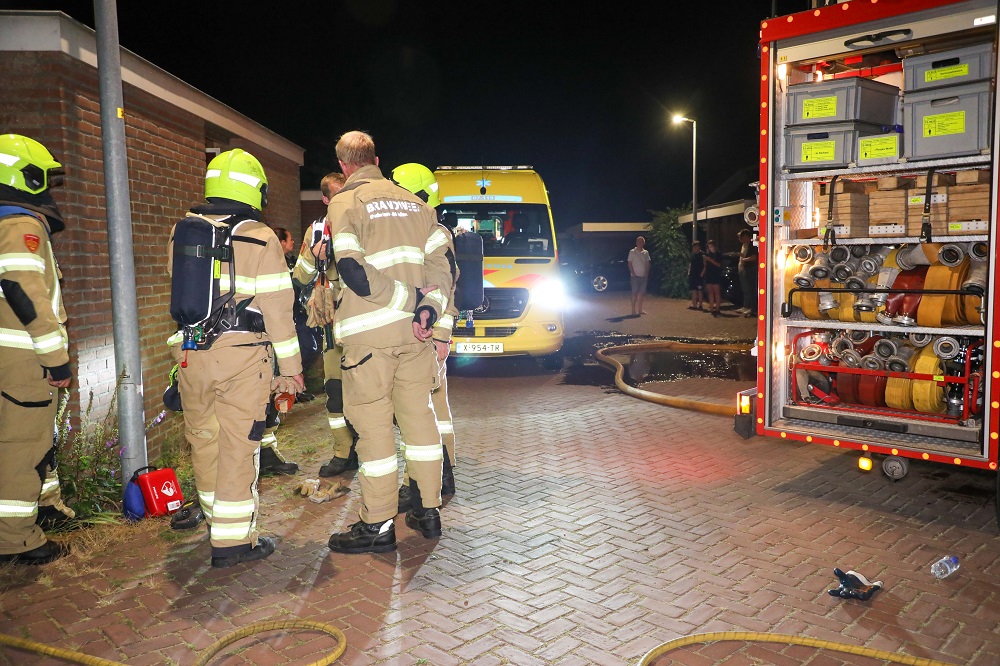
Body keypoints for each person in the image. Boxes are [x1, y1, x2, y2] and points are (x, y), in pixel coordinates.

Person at [167, 148, 303, 568]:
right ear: (255, 190)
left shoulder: (182, 231)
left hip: (191, 355)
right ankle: (233, 542)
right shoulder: (260, 236)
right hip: (241, 358)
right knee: (239, 447)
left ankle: (216, 524)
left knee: (204, 442)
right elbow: (278, 311)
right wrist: (292, 370)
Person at [325, 131, 454, 555]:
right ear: (377, 160)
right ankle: (428, 511)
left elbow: (351, 269)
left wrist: (408, 299)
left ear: (343, 165)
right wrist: (428, 309)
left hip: (369, 342)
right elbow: (443, 269)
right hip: (416, 337)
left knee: (375, 432)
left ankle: (378, 525)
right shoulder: (418, 205)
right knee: (420, 423)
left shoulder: (345, 201)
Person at [0, 133, 72, 565]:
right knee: (22, 445)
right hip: (22, 361)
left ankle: (44, 509)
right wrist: (56, 360)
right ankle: (17, 540)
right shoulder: (20, 227)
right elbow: (24, 292)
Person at [389, 162, 458, 514]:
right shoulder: (411, 231)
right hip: (414, 334)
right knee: (424, 413)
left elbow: (446, 288)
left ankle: (426, 481)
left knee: (424, 414)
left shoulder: (434, 233)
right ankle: (437, 477)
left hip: (430, 336)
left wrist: (441, 336)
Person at [292, 172, 360, 478]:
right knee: (335, 391)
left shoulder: (366, 223)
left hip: (367, 323)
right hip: (334, 327)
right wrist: (314, 255)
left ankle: (370, 448)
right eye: (337, 195)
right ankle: (343, 452)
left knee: (373, 391)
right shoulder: (317, 231)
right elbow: (299, 277)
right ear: (325, 199)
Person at [737, 228, 758, 317]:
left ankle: (753, 309)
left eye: (742, 237)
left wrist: (744, 259)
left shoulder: (752, 245)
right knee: (746, 289)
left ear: (746, 237)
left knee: (751, 289)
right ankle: (747, 306)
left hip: (750, 268)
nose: (741, 240)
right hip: (745, 268)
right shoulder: (744, 245)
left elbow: (754, 257)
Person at [627, 235, 651, 315]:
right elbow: (629, 263)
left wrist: (647, 273)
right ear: (636, 243)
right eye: (639, 242)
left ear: (644, 243)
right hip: (635, 276)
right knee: (634, 292)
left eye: (642, 242)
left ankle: (640, 309)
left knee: (641, 293)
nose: (640, 243)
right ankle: (633, 310)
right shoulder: (632, 252)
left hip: (643, 276)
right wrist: (633, 273)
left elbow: (648, 263)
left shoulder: (646, 252)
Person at [702, 239, 723, 317]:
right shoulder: (707, 254)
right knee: (710, 292)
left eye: (712, 246)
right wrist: (704, 260)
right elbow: (705, 265)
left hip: (716, 274)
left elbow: (719, 265)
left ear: (715, 246)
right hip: (708, 274)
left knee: (717, 292)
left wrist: (710, 260)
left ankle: (717, 308)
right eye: (709, 246)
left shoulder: (719, 254)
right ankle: (711, 308)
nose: (711, 248)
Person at [687, 241, 705, 311]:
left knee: (699, 290)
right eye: (693, 247)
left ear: (699, 247)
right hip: (693, 275)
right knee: (694, 290)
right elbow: (690, 264)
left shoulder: (702, 255)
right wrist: (689, 272)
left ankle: (700, 305)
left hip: (699, 275)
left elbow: (705, 265)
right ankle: (694, 305)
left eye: (695, 246)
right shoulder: (692, 255)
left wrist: (702, 274)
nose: (694, 248)